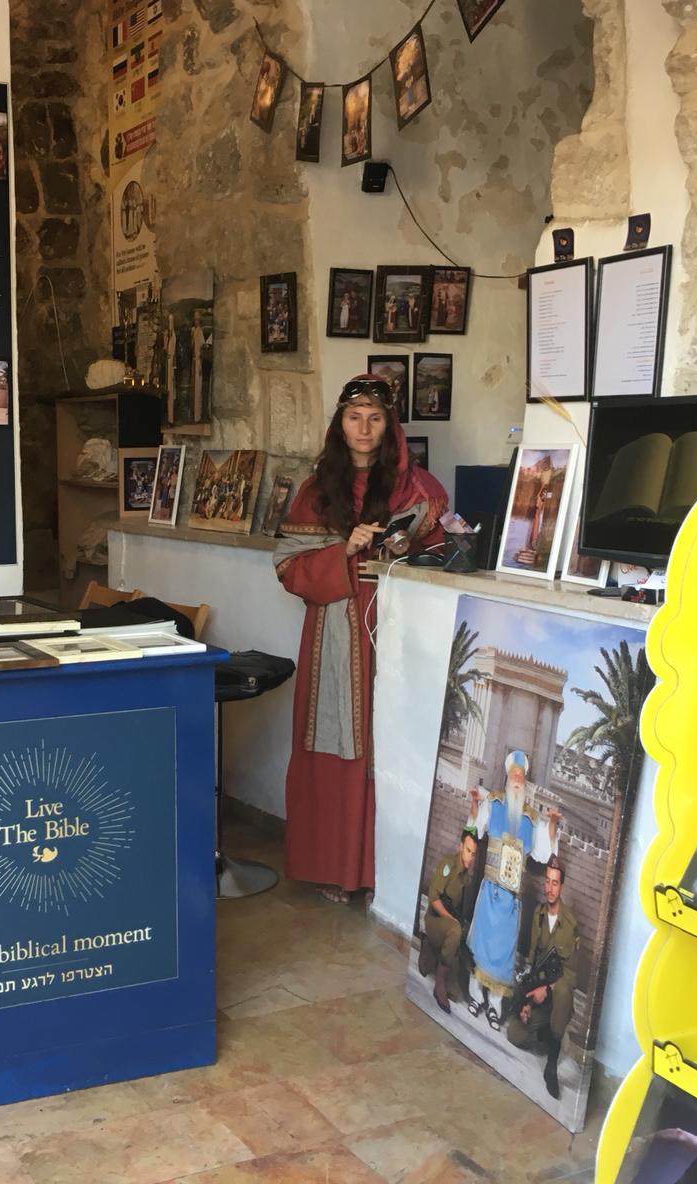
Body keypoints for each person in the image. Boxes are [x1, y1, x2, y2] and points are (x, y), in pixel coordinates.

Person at [273, 375, 449, 902]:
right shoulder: (316, 490)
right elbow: (287, 567)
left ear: (390, 425)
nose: (364, 428)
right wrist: (345, 550)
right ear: (340, 423)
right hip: (334, 632)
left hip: (397, 629)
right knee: (341, 741)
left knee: (391, 741)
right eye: (355, 417)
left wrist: (402, 552)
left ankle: (385, 874)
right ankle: (338, 869)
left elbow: (444, 558)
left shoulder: (419, 489)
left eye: (375, 418)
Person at [466, 750, 558, 1026]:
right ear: (507, 777)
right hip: (490, 891)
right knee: (481, 943)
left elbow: (544, 850)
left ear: (525, 781)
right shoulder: (493, 802)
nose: (518, 779)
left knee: (504, 954)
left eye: (522, 776)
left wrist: (552, 824)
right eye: (514, 775)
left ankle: (495, 1004)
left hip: (511, 900)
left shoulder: (531, 817)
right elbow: (475, 828)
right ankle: (475, 995)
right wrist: (473, 807)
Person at [506, 855, 578, 1099]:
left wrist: (546, 989)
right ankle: (546, 1034)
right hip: (536, 996)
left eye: (555, 883)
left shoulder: (570, 924)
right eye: (547, 881)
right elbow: (531, 963)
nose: (549, 888)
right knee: (514, 1034)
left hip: (555, 999)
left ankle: (552, 1062)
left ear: (562, 887)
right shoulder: (538, 914)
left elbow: (570, 974)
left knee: (563, 989)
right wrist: (526, 1001)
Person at [417, 827, 477, 1012]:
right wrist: (452, 921)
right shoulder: (448, 865)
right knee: (455, 930)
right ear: (461, 847)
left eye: (474, 854)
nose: (470, 857)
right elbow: (434, 898)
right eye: (468, 851)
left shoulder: (468, 879)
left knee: (455, 994)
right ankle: (439, 983)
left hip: (449, 927)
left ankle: (432, 949)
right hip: (434, 921)